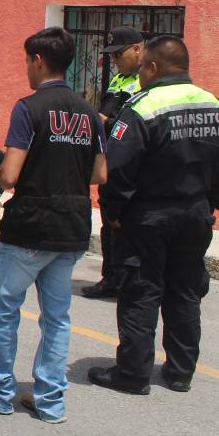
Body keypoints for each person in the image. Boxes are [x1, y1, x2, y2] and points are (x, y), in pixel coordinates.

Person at [0, 28, 106, 424]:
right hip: (72, 225)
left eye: (26, 61)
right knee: (57, 318)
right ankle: (50, 400)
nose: (26, 68)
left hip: (30, 226)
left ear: (38, 60)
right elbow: (100, 173)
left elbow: (9, 176)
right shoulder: (90, 113)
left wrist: (0, 168)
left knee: (5, 312)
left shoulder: (29, 108)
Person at [90, 36, 219, 395]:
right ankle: (180, 372)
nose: (139, 74)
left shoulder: (143, 106)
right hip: (195, 213)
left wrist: (114, 212)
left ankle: (133, 374)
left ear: (153, 67)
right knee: (185, 292)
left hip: (148, 216)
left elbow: (118, 169)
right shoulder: (214, 104)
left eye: (142, 68)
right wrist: (210, 203)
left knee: (141, 291)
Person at [82, 26, 145, 300]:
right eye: (112, 56)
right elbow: (105, 115)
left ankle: (134, 280)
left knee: (133, 225)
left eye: (119, 54)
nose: (115, 60)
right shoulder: (120, 79)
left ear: (138, 49)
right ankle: (112, 278)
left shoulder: (148, 79)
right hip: (112, 158)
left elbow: (125, 122)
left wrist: (107, 121)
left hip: (135, 164)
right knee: (110, 224)